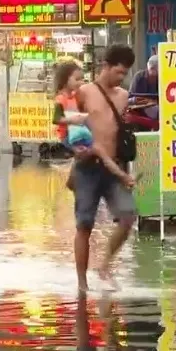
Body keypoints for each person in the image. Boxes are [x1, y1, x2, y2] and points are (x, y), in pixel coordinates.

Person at [72, 44, 137, 292]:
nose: (121, 77)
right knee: (84, 225)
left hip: (114, 168)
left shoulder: (123, 96)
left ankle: (105, 265)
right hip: (87, 166)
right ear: (105, 66)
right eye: (118, 72)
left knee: (128, 216)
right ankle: (81, 283)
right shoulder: (84, 92)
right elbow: (65, 123)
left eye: (125, 74)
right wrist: (74, 147)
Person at [52, 61, 133, 189]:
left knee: (90, 153)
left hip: (77, 133)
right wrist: (74, 120)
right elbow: (56, 119)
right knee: (98, 150)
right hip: (67, 136)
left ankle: (74, 179)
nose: (80, 82)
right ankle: (123, 177)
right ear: (65, 79)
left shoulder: (74, 96)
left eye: (82, 79)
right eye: (76, 79)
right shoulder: (61, 99)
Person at [128, 54, 159, 120]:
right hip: (139, 110)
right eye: (152, 69)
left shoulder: (161, 78)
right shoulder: (139, 77)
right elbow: (130, 96)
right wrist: (135, 100)